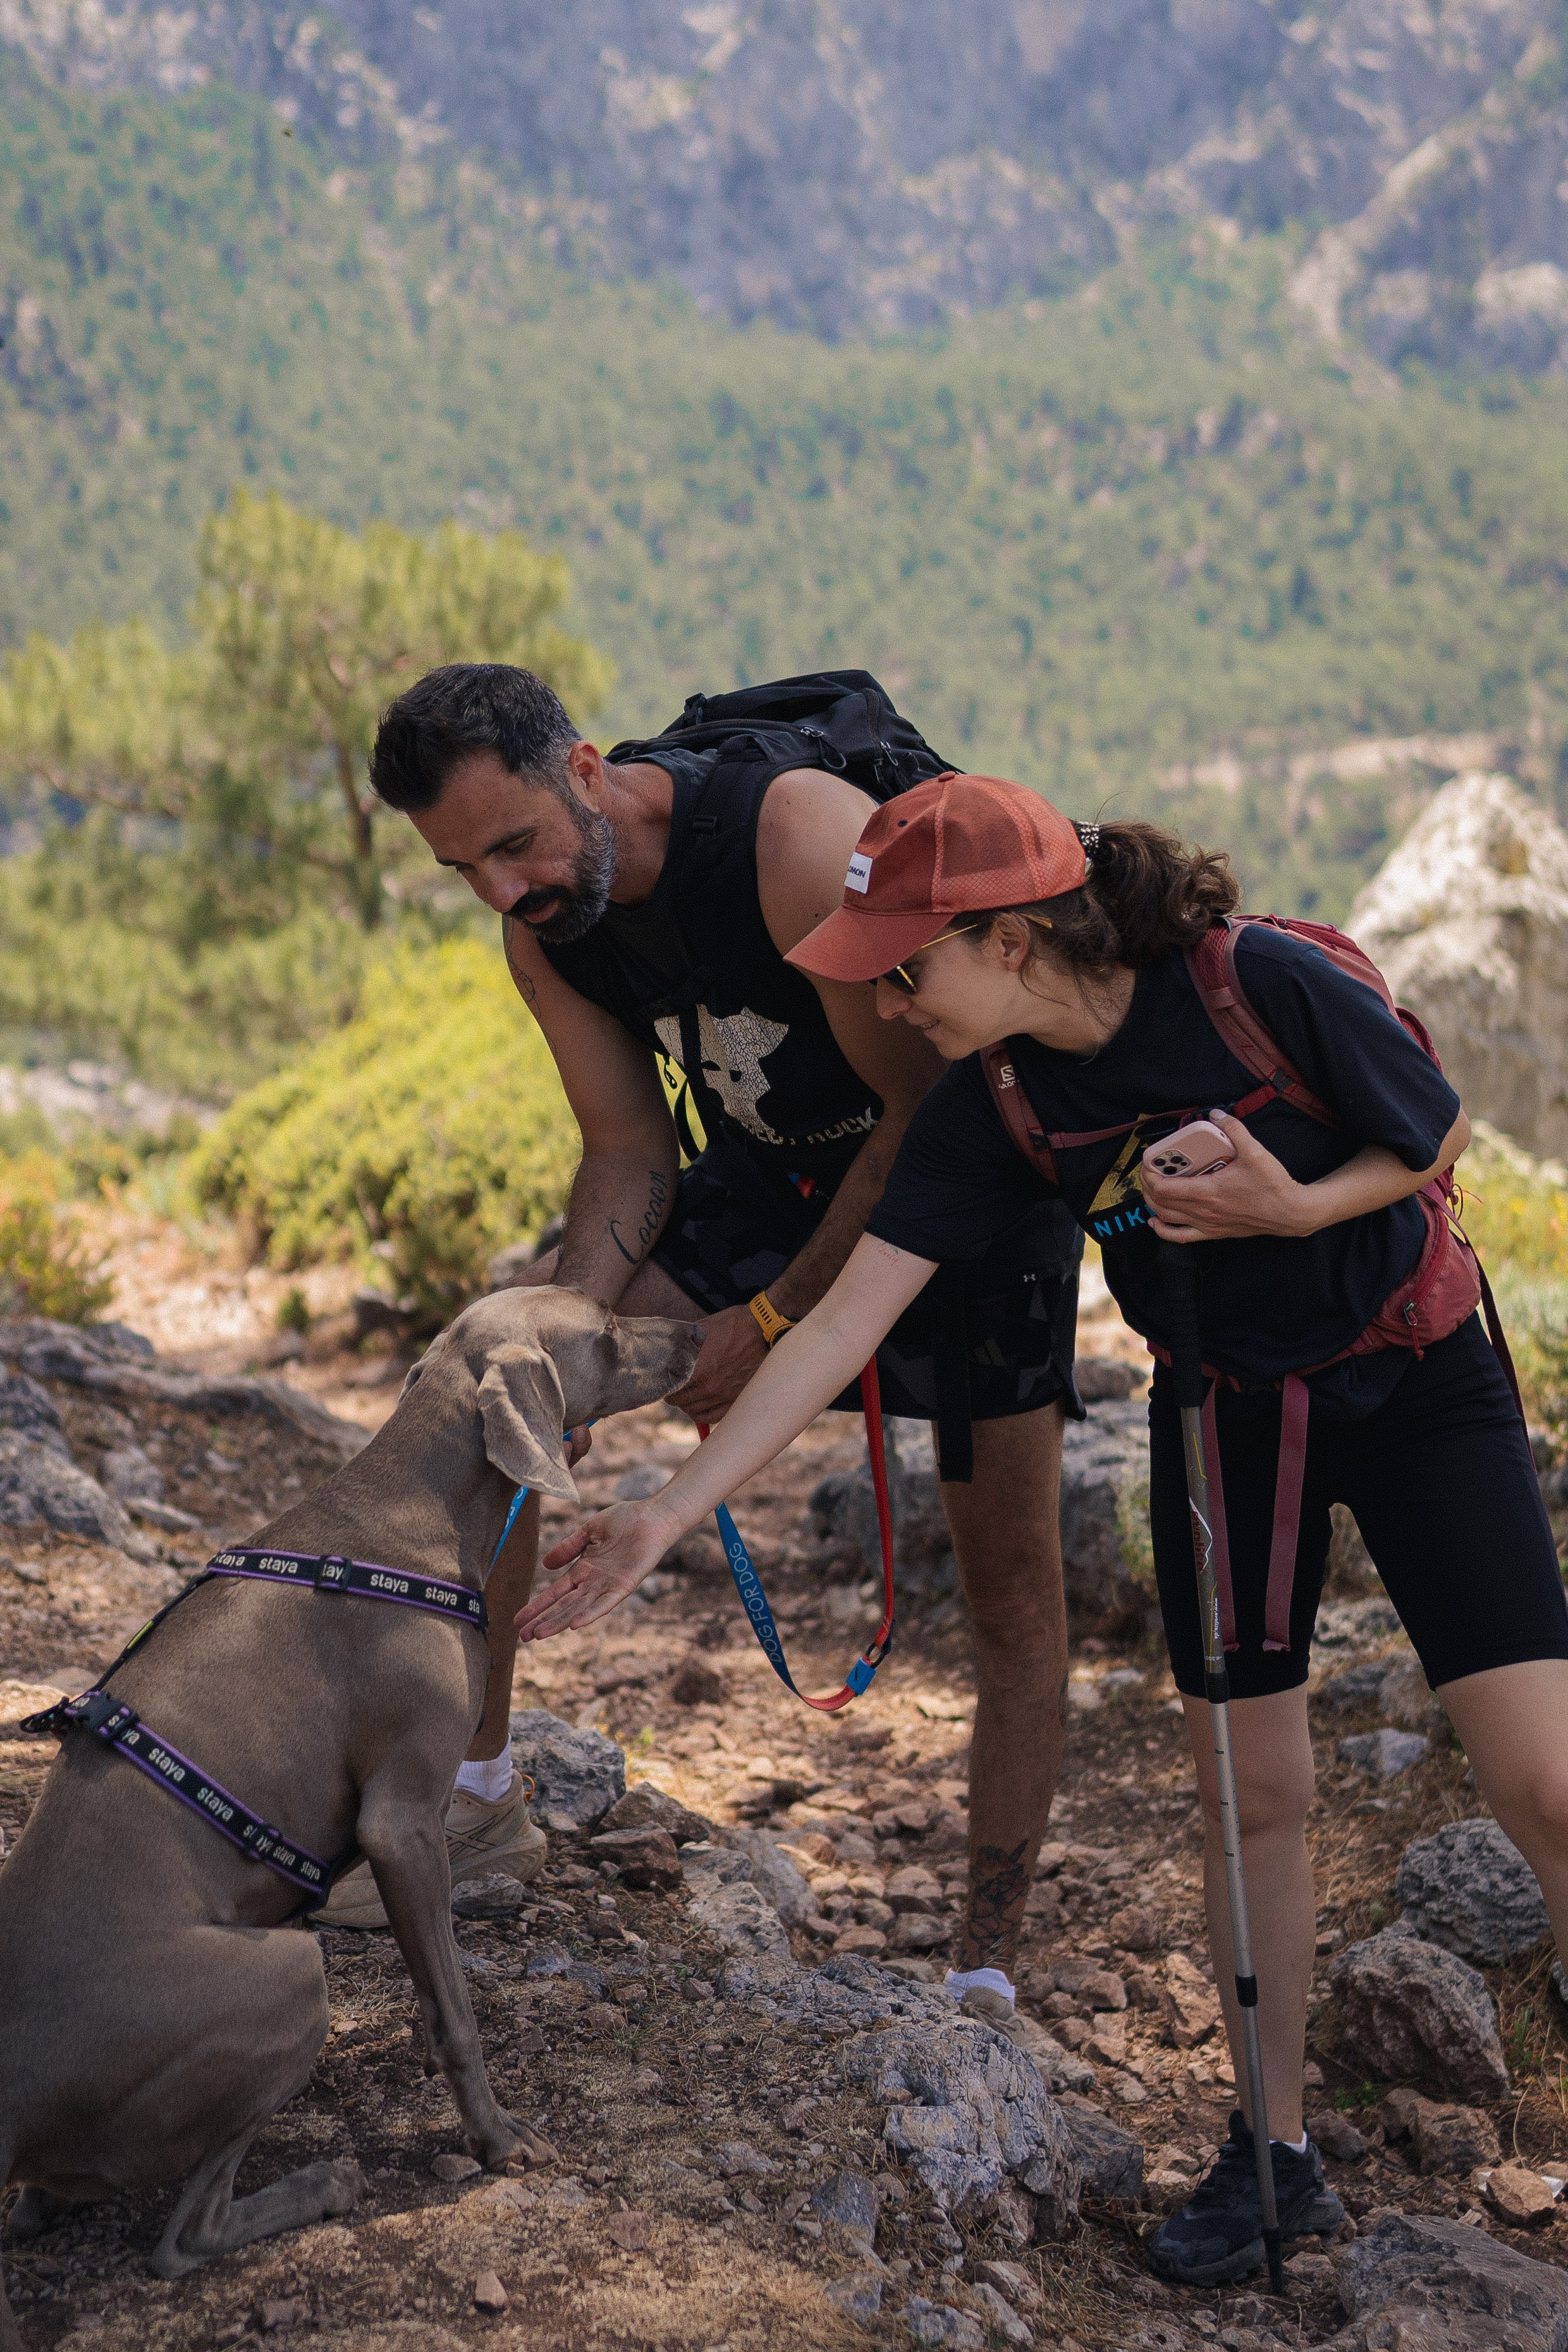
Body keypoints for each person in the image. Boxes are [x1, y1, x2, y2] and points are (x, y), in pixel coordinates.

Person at [517, 768, 1568, 2290]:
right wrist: (666, 1513)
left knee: (1545, 1782)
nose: (886, 1002)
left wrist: (1288, 1208)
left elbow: (1434, 1131)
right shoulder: (991, 1105)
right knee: (1250, 1794)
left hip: (1419, 1385)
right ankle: (1271, 2152)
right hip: (1221, 1417)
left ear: (1008, 939)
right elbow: (840, 1325)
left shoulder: (1253, 983)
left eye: (907, 967)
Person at [326, 665, 1084, 2008]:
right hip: (770, 1180)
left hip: (963, 1195)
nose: (502, 890)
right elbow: (626, 1151)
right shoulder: (549, 929)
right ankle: (477, 1795)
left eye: (516, 845)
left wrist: (771, 1321)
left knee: (1014, 1589)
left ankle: (985, 1966)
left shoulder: (791, 841)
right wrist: (564, 1342)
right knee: (499, 1389)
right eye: (463, 869)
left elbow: (923, 1112)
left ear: (582, 767)